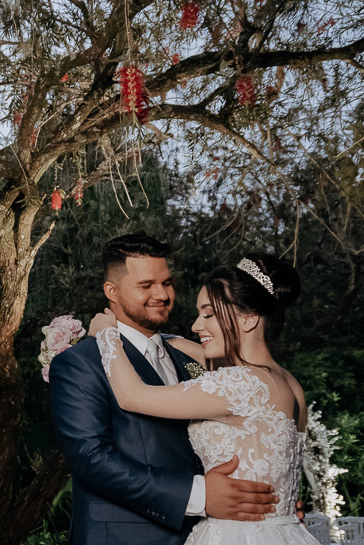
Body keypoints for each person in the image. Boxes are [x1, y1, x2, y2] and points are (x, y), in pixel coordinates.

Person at [49, 233, 280, 545]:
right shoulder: (81, 362)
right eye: (146, 285)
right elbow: (91, 459)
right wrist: (199, 495)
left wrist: (266, 502)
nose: (161, 294)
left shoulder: (191, 356)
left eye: (167, 282)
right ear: (112, 291)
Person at [89, 251, 316, 544]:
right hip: (284, 529)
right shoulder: (287, 382)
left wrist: (107, 335)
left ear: (248, 319)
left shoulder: (241, 384)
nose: (196, 325)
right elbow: (210, 357)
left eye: (208, 314)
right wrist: (161, 338)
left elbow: (132, 395)